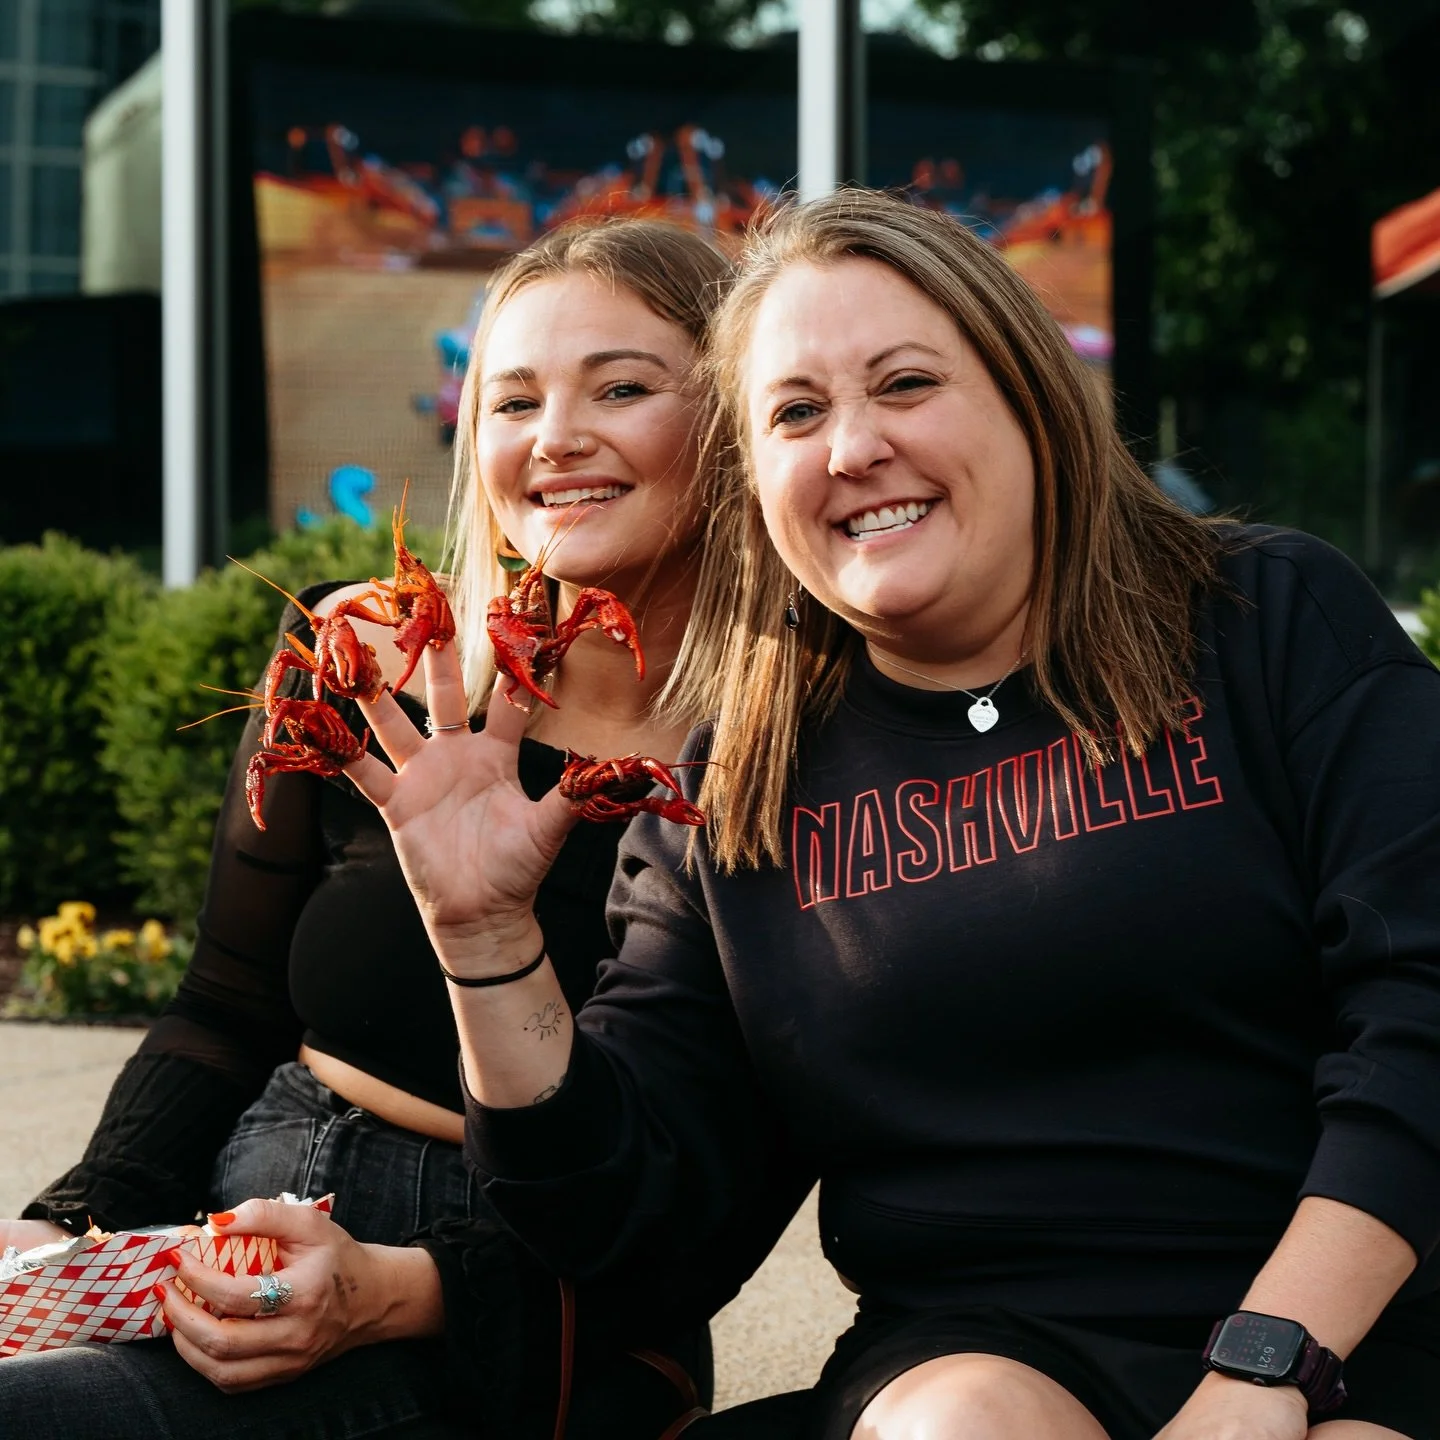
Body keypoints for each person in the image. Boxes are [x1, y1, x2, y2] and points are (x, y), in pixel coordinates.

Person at [346, 189, 1440, 1440]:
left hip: (1348, 1334)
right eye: (796, 414)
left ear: (1029, 397)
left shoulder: (1269, 620)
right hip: (966, 1367)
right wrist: (486, 943)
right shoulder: (733, 785)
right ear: (754, 483)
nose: (852, 448)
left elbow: (1420, 1018)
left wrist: (1263, 1373)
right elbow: (630, 1230)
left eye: (906, 384)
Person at [0, 218, 808, 1438]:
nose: (555, 440)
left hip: (524, 1319)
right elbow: (225, 1008)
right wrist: (68, 1230)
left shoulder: (794, 756)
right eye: (512, 400)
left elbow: (710, 1201)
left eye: (623, 388)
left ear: (737, 422)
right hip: (237, 1237)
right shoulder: (366, 656)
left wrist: (393, 1294)